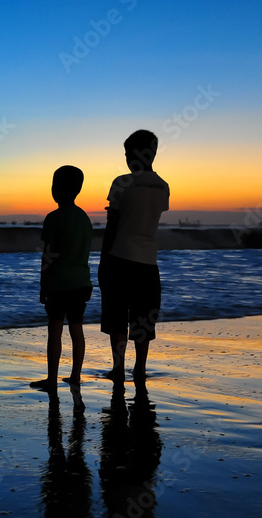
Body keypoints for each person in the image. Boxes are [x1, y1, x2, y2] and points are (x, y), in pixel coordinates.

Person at [99, 130, 170, 387]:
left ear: (138, 154)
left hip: (119, 258)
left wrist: (102, 260)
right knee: (143, 318)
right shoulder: (163, 186)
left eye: (128, 153)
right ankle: (140, 368)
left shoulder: (121, 183)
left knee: (117, 316)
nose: (127, 158)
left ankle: (118, 368)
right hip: (148, 263)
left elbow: (113, 224)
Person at [30, 165, 93, 391]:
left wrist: (43, 286)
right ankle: (75, 375)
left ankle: (51, 379)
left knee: (55, 329)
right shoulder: (84, 218)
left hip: (58, 283)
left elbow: (48, 257)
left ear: (56, 189)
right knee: (77, 329)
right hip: (81, 283)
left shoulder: (53, 218)